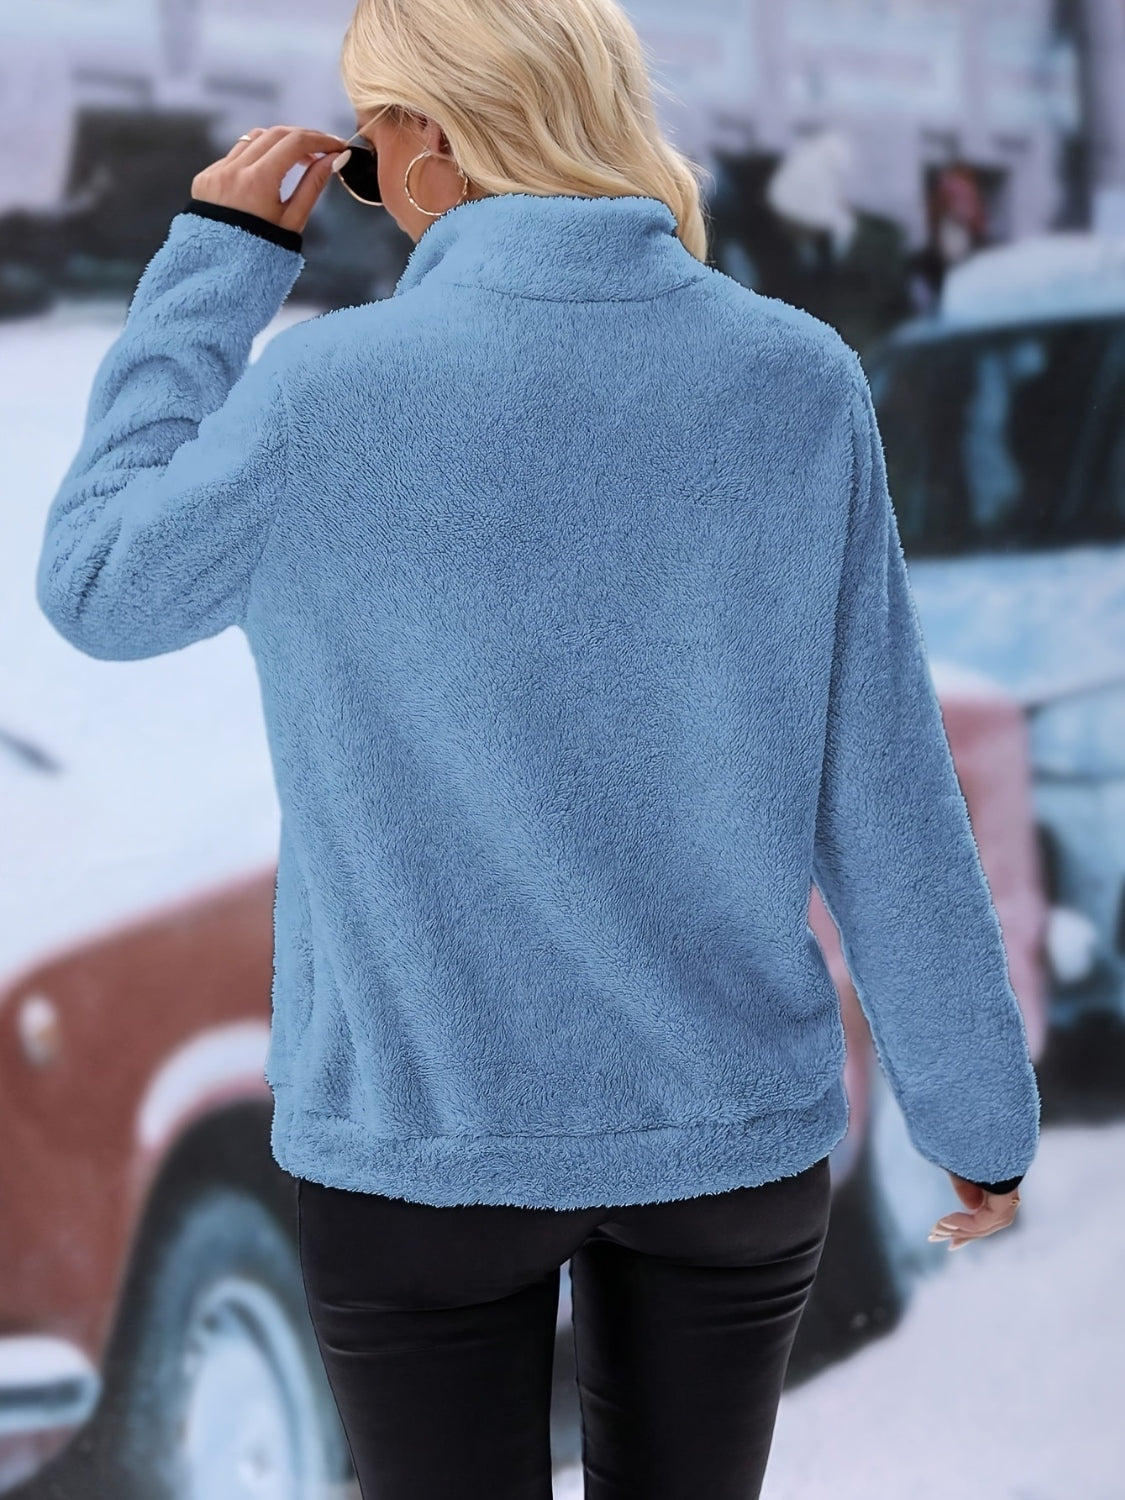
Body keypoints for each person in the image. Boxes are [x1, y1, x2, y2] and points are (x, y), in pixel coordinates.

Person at [34, 0, 1040, 1495]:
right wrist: (976, 1116)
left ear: (432, 141)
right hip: (724, 1141)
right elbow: (883, 791)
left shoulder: (322, 400)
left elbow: (96, 584)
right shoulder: (796, 381)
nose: (374, 184)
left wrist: (219, 259)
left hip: (422, 1144)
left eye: (368, 147)